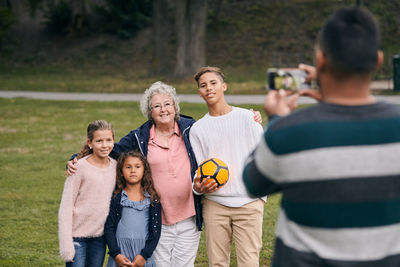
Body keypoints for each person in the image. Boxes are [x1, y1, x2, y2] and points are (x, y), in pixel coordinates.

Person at [243, 6, 400, 266]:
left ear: (320, 61)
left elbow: (253, 182)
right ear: (378, 61)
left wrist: (276, 121)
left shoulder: (288, 131)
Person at [66, 81, 262, 267]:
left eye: (167, 104)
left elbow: (219, 129)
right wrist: (78, 157)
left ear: (175, 107)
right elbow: (112, 150)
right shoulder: (140, 136)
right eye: (156, 106)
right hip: (157, 218)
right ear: (149, 112)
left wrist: (248, 117)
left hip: (189, 217)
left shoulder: (191, 128)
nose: (163, 109)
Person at [190, 66, 265, 267]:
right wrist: (197, 188)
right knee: (217, 263)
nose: (209, 88)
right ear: (199, 93)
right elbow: (198, 169)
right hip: (215, 205)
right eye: (203, 86)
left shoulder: (247, 118)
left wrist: (260, 198)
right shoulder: (198, 129)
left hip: (248, 204)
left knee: (249, 262)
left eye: (213, 83)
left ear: (224, 86)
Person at [58, 120, 116, 267]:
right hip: (77, 237)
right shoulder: (79, 168)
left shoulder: (115, 167)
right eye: (99, 141)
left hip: (99, 238)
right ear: (90, 143)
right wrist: (66, 245)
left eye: (108, 140)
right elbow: (66, 206)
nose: (104, 145)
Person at [105, 151, 161, 267]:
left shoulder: (152, 199)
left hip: (142, 255)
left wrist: (144, 255)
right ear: (121, 171)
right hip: (120, 254)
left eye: (137, 166)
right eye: (128, 167)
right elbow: (109, 228)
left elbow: (155, 232)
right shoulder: (117, 198)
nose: (133, 170)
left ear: (144, 170)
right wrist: (116, 254)